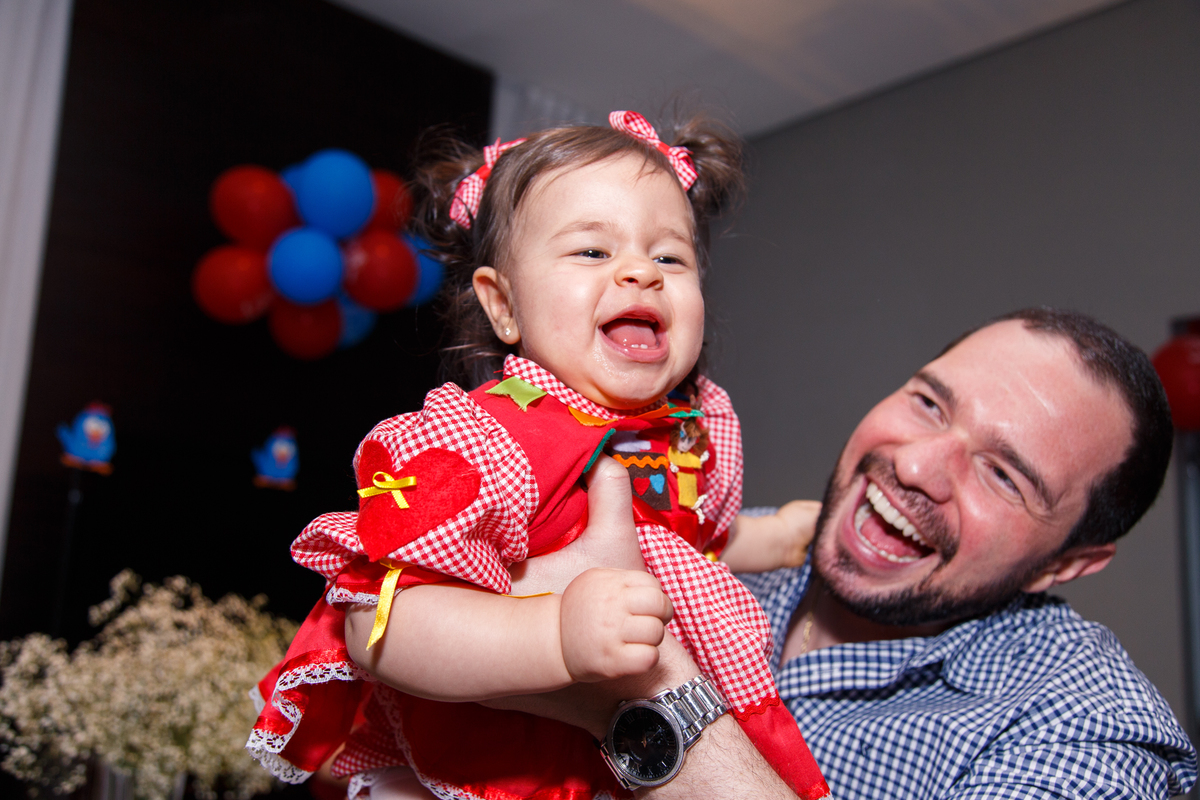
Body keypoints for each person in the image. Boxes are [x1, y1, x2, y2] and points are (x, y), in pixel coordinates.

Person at [246, 111, 828, 800]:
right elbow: (380, 626)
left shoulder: (697, 430)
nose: (641, 271)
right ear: (504, 306)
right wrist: (554, 635)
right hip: (503, 757)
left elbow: (689, 549)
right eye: (592, 252)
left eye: (670, 256)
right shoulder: (491, 441)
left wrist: (778, 534)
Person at [502, 307, 1198, 799]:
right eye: (930, 403)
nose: (919, 466)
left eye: (1004, 474)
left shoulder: (1089, 730)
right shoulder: (728, 545)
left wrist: (642, 692)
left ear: (1064, 564)